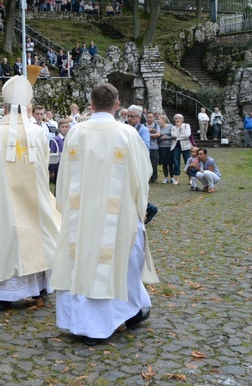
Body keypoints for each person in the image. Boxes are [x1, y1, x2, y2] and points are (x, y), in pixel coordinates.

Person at [52, 83, 158, 346]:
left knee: (80, 262)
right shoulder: (127, 134)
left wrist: (64, 205)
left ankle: (80, 322)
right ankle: (120, 315)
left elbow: (63, 174)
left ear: (91, 104)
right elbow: (143, 175)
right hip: (117, 214)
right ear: (117, 105)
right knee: (122, 262)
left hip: (81, 214)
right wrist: (138, 207)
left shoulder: (75, 132)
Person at [0, 76, 60, 312]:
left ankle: (3, 294)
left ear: (5, 108)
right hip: (33, 199)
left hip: (3, 201)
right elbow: (45, 163)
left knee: (5, 237)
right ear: (27, 107)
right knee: (36, 236)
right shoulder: (39, 133)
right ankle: (38, 287)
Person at [170, 114, 192, 185]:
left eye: (179, 118)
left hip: (186, 146)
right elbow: (174, 135)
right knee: (176, 162)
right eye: (176, 118)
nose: (178, 120)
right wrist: (178, 128)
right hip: (176, 146)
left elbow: (187, 135)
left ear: (182, 120)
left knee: (188, 161)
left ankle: (190, 178)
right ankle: (177, 179)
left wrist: (178, 137)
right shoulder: (173, 127)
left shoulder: (186, 125)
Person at [157, 115, 174, 184]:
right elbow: (157, 138)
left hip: (169, 146)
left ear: (164, 120)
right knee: (164, 163)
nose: (158, 120)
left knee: (170, 163)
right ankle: (166, 177)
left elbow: (174, 136)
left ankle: (172, 177)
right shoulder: (158, 128)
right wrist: (161, 138)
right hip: (161, 147)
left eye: (159, 119)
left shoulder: (170, 126)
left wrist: (166, 138)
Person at [146, 112, 160, 183]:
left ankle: (154, 177)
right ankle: (147, 177)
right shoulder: (143, 125)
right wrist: (152, 133)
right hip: (145, 147)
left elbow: (158, 134)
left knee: (154, 163)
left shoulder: (156, 125)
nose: (149, 118)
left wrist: (148, 134)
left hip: (154, 147)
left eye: (150, 117)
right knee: (146, 162)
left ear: (153, 118)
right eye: (148, 117)